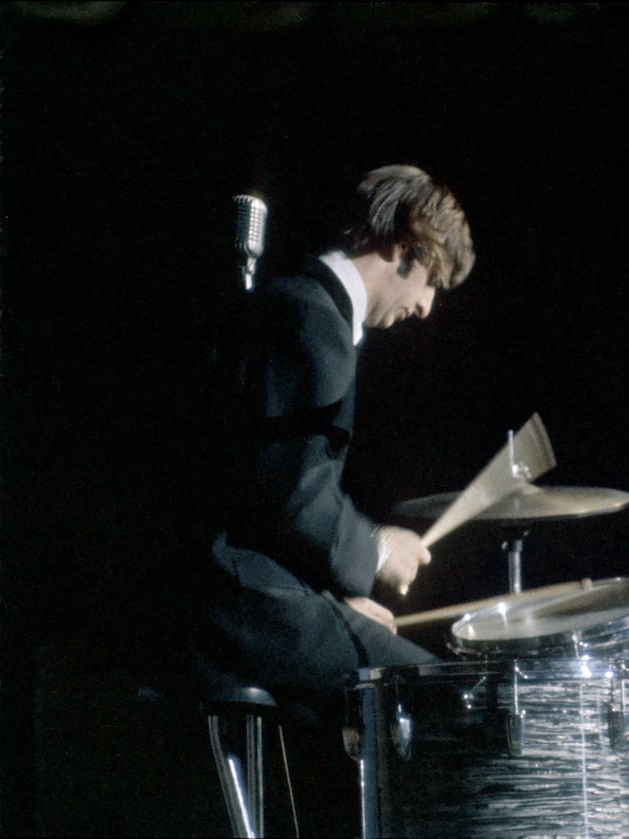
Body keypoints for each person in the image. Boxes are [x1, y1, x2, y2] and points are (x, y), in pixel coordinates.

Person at [184, 164, 476, 723]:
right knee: (448, 700)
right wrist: (378, 550)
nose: (425, 306)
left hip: (241, 590)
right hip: (234, 604)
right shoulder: (309, 322)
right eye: (431, 281)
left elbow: (257, 501)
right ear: (402, 246)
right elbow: (293, 497)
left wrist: (332, 605)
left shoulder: (294, 305)